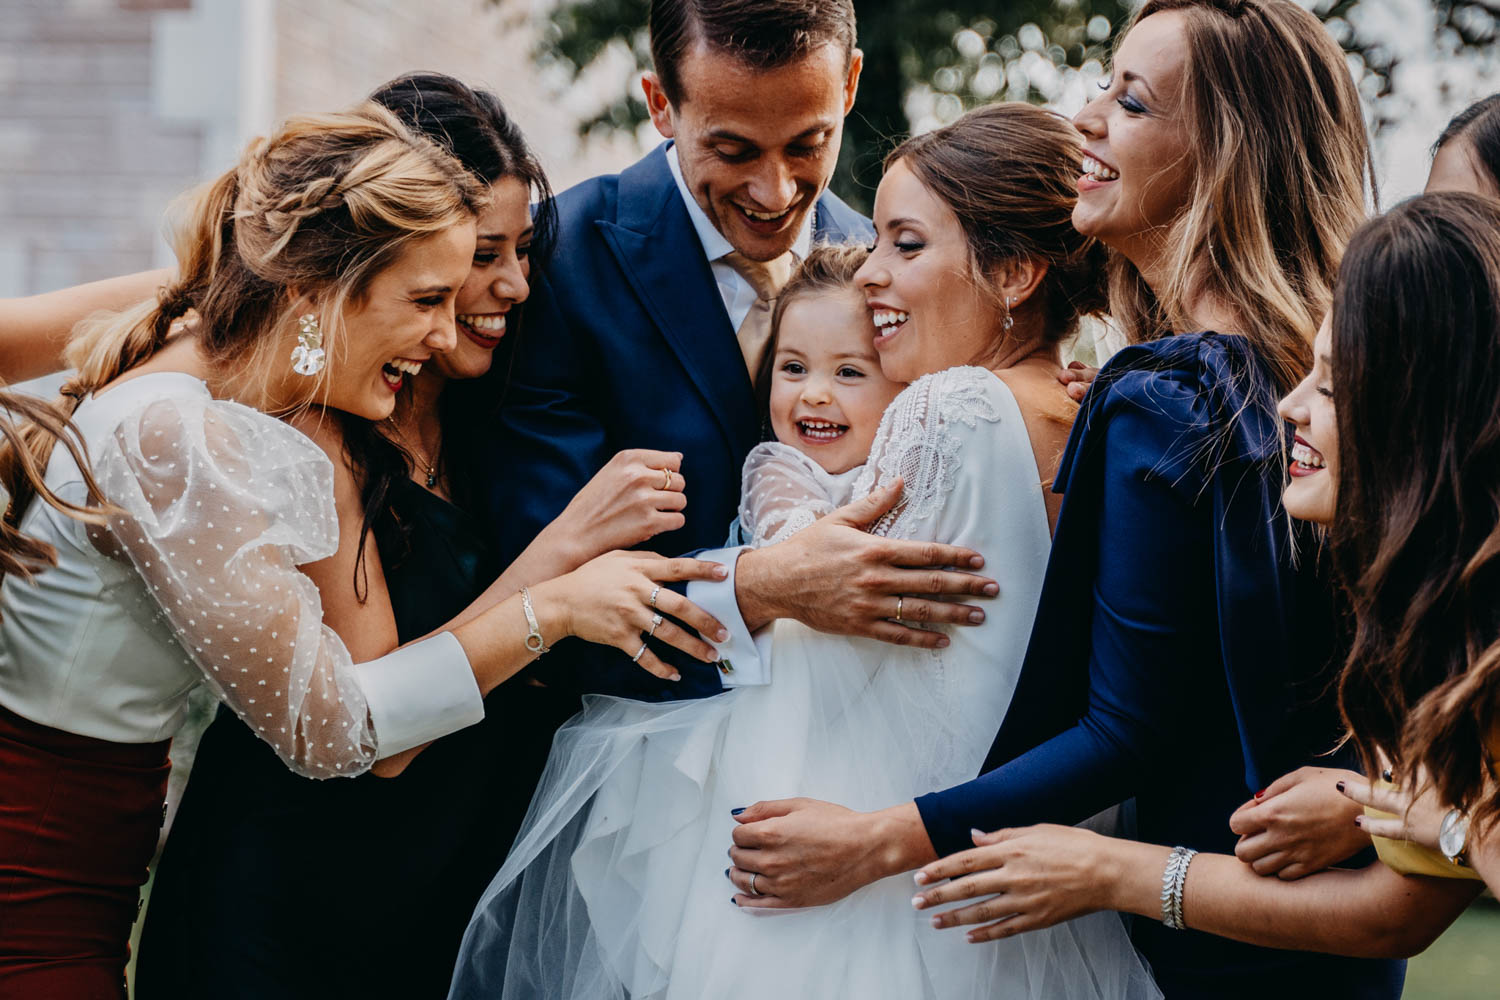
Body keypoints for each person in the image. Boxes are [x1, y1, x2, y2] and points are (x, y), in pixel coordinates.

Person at [726, 1, 1403, 995]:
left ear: (1221, 155)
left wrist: (877, 838)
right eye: (1102, 84)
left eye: (1130, 101)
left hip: (1212, 939)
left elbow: (1123, 730)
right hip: (1305, 923)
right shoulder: (1301, 373)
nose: (1086, 116)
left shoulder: (1172, 395)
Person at [0, 102, 726, 999]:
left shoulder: (208, 355)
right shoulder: (176, 441)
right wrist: (556, 608)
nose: (439, 332)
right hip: (31, 893)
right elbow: (331, 729)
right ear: (315, 292)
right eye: (424, 301)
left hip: (93, 877)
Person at [450, 103, 1159, 1000]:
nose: (868, 272)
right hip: (1015, 852)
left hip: (878, 857)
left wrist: (749, 584)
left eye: (903, 245)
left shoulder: (949, 411)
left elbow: (830, 643)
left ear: (1014, 272)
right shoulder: (1098, 407)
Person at [910, 190, 1497, 941]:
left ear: (1418, 405)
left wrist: (1426, 816)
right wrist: (1384, 801)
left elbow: (1404, 901)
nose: (1291, 405)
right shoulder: (1425, 605)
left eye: (1331, 378)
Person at [486, 0, 1000, 709]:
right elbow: (531, 593)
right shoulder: (556, 261)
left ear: (848, 85)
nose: (776, 191)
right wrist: (762, 589)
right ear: (662, 104)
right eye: (733, 152)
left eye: (807, 144)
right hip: (638, 751)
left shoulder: (885, 268)